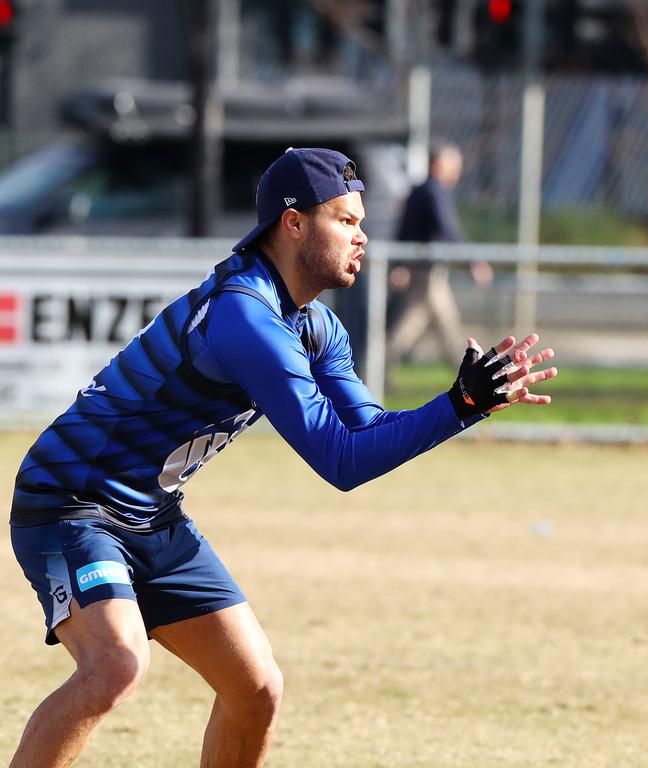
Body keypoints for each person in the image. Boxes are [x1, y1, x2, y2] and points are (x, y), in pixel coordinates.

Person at [7, 147, 556, 768]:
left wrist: (465, 403)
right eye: (346, 220)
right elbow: (340, 460)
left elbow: (367, 430)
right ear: (294, 223)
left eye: (361, 221)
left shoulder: (316, 326)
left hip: (151, 515)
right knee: (116, 666)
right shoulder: (244, 314)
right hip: (70, 504)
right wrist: (457, 405)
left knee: (258, 689)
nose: (363, 236)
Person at [387, 142, 493, 365]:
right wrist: (473, 261)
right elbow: (447, 228)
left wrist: (400, 264)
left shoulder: (420, 190)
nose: (458, 171)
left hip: (422, 268)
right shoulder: (433, 191)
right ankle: (467, 374)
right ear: (437, 165)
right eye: (454, 165)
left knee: (414, 322)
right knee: (446, 323)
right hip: (427, 270)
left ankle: (378, 368)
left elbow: (405, 229)